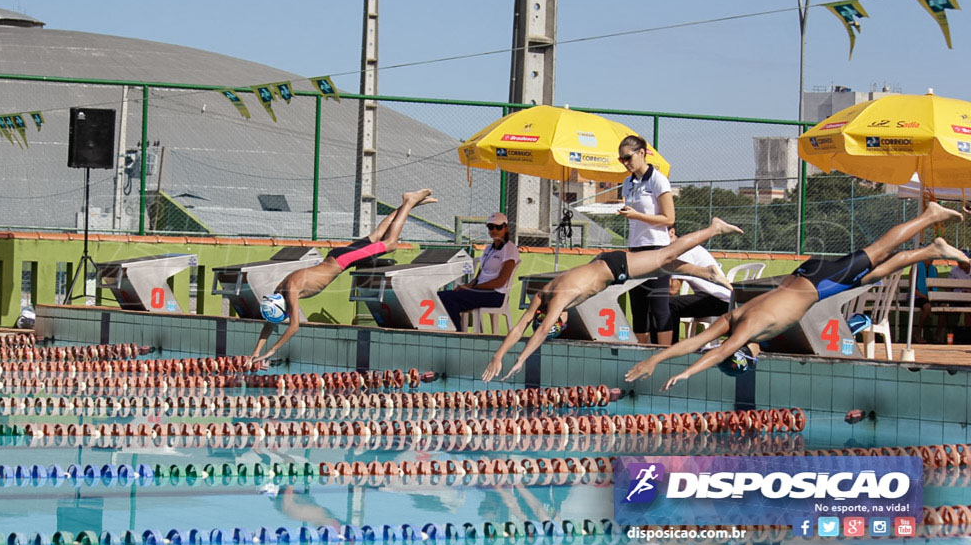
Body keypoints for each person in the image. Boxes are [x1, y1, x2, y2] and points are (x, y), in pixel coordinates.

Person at [625, 202, 967, 391]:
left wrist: (687, 374)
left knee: (879, 251)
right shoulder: (732, 320)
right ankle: (931, 250)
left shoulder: (746, 331)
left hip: (820, 281)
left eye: (752, 357)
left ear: (747, 352)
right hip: (808, 277)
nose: (758, 354)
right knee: (877, 272)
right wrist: (655, 360)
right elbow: (697, 345)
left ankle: (930, 215)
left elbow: (717, 352)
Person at [481, 218, 743, 383]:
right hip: (606, 265)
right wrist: (499, 355)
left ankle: (713, 227)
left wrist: (521, 359)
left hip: (615, 267)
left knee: (666, 255)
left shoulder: (558, 300)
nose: (562, 318)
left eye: (558, 321)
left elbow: (537, 332)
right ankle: (704, 272)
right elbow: (520, 327)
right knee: (663, 266)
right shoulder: (543, 294)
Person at [249, 189, 436, 365]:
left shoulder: (290, 292)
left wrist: (272, 350)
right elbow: (269, 323)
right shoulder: (279, 291)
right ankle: (409, 204)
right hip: (336, 256)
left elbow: (294, 326)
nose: (287, 315)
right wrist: (256, 351)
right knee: (376, 235)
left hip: (343, 261)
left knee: (390, 243)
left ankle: (409, 202)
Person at [617, 135, 676, 345]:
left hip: (657, 250)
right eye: (621, 160)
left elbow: (669, 218)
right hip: (635, 249)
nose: (625, 163)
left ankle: (663, 355)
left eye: (627, 158)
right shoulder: (628, 182)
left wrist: (637, 215)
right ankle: (640, 353)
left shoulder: (657, 180)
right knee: (638, 308)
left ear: (641, 153)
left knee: (659, 308)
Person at [438, 212, 519, 329]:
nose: (494, 230)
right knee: (440, 296)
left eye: (498, 227)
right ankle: (444, 329)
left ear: (505, 228)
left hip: (495, 294)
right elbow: (478, 277)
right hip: (480, 291)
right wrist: (466, 286)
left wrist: (474, 288)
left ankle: (455, 333)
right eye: (491, 227)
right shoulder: (489, 248)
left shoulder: (509, 248)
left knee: (449, 299)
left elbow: (500, 282)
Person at [666, 226, 732, 341]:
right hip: (711, 297)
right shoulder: (683, 248)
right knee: (661, 303)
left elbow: (673, 289)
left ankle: (669, 346)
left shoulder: (683, 250)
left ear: (672, 232)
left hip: (720, 300)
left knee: (669, 305)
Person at [912, 259, 939, 343]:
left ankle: (937, 336)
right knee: (927, 307)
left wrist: (932, 296)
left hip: (931, 296)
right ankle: (918, 333)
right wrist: (926, 297)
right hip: (917, 296)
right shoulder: (915, 268)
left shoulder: (934, 269)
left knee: (944, 307)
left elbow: (935, 286)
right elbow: (912, 288)